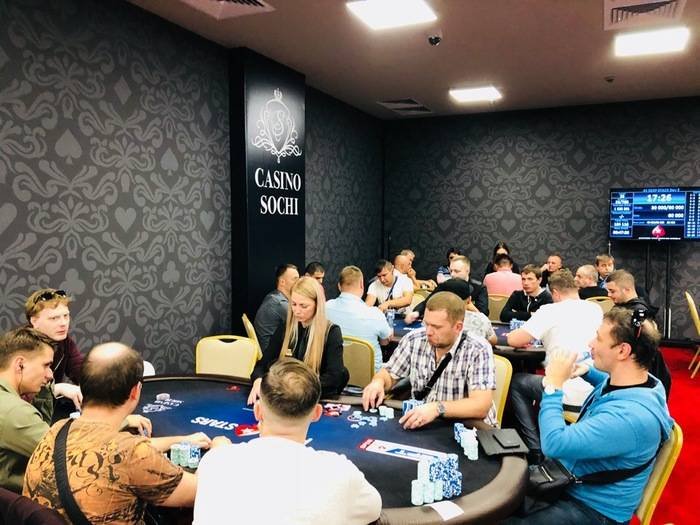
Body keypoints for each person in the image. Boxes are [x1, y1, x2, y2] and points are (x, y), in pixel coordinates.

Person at [504, 308, 674, 525]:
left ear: (623, 350)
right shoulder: (645, 383)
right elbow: (610, 387)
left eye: (599, 338)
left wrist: (553, 386)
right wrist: (586, 371)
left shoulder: (629, 418)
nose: (590, 343)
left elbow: (554, 444)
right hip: (576, 484)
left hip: (594, 509)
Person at [23, 342, 212, 523]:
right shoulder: (134, 453)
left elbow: (109, 449)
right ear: (135, 392)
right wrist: (219, 453)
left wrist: (179, 440)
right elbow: (204, 492)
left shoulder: (57, 429)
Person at [194, 359, 381, 525]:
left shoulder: (216, 461)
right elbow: (374, 509)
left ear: (257, 411)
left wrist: (220, 452)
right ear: (317, 414)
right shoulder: (340, 471)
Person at [363, 291, 497, 428]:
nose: (428, 332)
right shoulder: (414, 339)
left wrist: (437, 408)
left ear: (458, 327)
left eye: (437, 327)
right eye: (426, 324)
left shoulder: (478, 349)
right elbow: (389, 373)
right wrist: (378, 382)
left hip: (470, 428)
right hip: (425, 422)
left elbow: (481, 406)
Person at [507, 270, 603, 458]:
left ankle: (535, 448)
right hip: (593, 391)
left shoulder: (550, 310)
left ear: (555, 293)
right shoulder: (595, 309)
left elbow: (514, 340)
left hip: (566, 393)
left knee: (518, 382)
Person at [249, 277, 349, 403]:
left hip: (313, 398)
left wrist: (298, 389)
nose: (297, 311)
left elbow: (334, 377)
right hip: (286, 395)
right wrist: (258, 381)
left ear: (317, 305)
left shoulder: (331, 332)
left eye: (303, 306)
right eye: (293, 304)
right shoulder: (286, 328)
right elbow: (262, 365)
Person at [0, 327, 55, 492]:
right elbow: (69, 453)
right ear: (20, 364)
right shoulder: (14, 411)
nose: (50, 375)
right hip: (14, 500)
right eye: (46, 365)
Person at [606, 270, 670, 398]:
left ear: (627, 289)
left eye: (612, 291)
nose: (608, 295)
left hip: (641, 367)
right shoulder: (627, 308)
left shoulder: (638, 313)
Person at [25, 288, 84, 409]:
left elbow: (82, 374)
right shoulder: (23, 347)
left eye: (66, 316)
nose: (63, 323)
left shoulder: (65, 342)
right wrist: (59, 388)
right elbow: (20, 396)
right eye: (54, 318)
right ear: (34, 321)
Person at [326, 266, 391, 372]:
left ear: (339, 286)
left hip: (336, 375)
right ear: (362, 284)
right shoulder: (375, 314)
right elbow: (386, 340)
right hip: (371, 380)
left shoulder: (325, 308)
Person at [406, 255, 489, 320]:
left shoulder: (479, 288)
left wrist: (468, 306)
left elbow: (484, 315)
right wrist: (416, 313)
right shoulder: (447, 285)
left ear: (467, 271)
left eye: (456, 271)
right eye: (451, 271)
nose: (452, 275)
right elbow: (426, 302)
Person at [254, 264, 300, 354]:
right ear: (282, 282)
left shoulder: (273, 296)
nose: (299, 283)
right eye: (295, 279)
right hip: (272, 355)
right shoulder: (279, 303)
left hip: (271, 349)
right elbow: (303, 323)